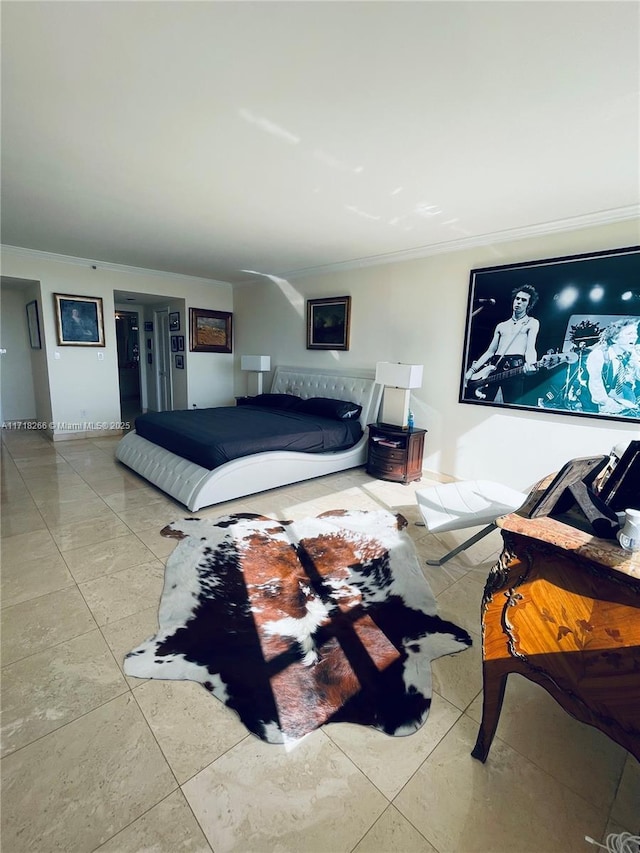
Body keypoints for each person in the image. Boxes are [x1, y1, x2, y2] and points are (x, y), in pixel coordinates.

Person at [464, 285, 540, 403]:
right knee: (486, 404)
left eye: (523, 300)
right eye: (517, 298)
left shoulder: (532, 322)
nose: (519, 302)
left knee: (512, 408)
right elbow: (490, 352)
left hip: (515, 369)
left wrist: (531, 364)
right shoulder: (501, 326)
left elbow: (530, 348)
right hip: (495, 368)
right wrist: (471, 371)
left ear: (529, 305)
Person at [585, 317, 640, 417]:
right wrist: (611, 405)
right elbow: (596, 387)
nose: (635, 336)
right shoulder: (598, 355)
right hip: (605, 408)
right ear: (615, 339)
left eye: (635, 333)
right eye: (629, 334)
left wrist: (636, 358)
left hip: (624, 402)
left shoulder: (629, 354)